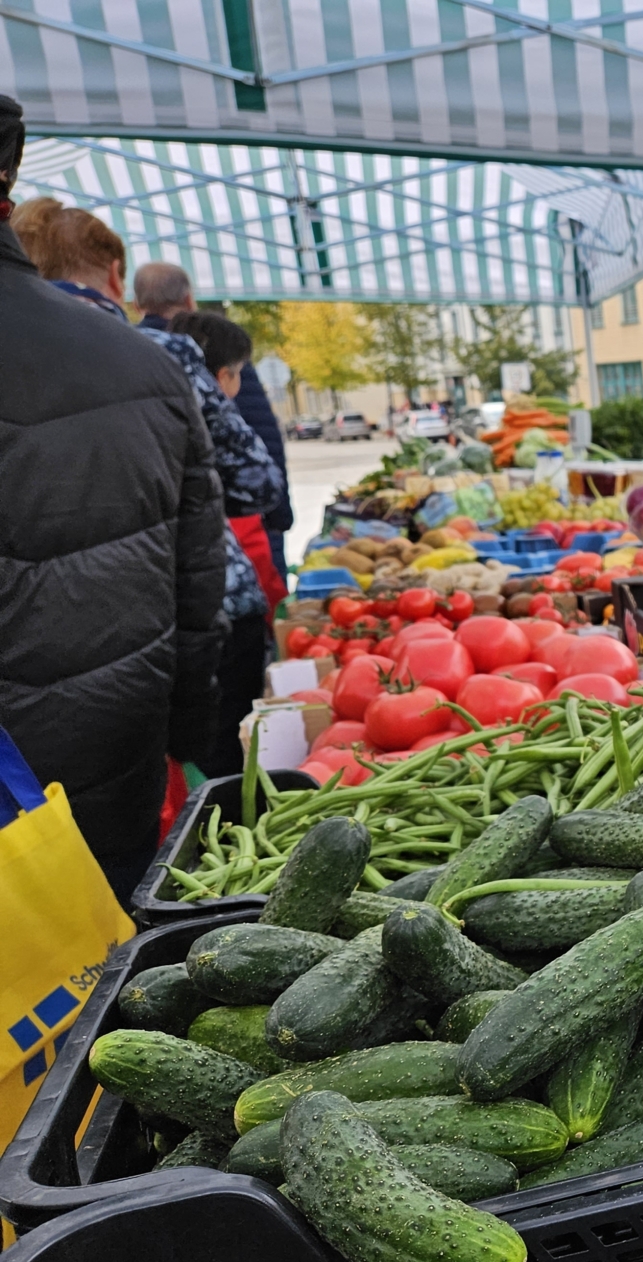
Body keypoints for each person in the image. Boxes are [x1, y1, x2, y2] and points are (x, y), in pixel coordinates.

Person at [0, 95, 228, 903]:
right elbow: (202, 584)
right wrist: (190, 736)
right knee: (98, 996)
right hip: (113, 767)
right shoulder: (144, 363)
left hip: (30, 781)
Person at [168, 311, 289, 777]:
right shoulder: (193, 393)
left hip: (149, 612)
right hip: (216, 600)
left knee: (196, 747)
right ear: (222, 375)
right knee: (231, 745)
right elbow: (261, 485)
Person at [134, 262, 293, 575]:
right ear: (189, 299)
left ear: (136, 304)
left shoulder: (126, 355)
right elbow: (261, 439)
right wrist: (278, 514)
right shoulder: (222, 347)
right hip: (229, 527)